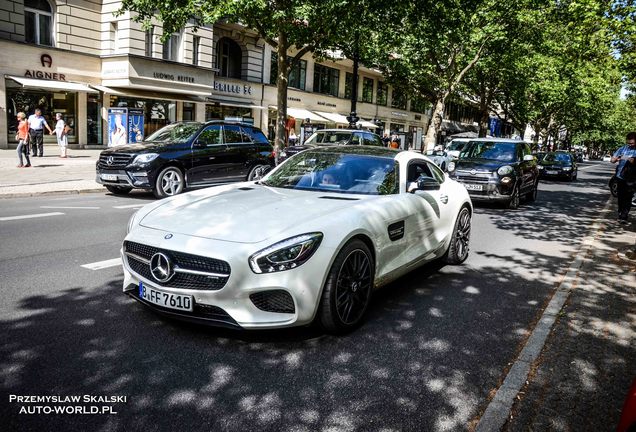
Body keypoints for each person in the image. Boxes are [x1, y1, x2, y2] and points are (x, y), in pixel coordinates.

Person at [611, 132, 636, 223]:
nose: (630, 145)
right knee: (620, 196)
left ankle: (624, 216)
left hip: (632, 178)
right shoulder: (623, 148)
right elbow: (612, 160)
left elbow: (633, 161)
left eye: (632, 143)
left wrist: (630, 159)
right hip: (620, 176)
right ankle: (620, 212)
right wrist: (618, 158)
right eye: (628, 143)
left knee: (628, 197)